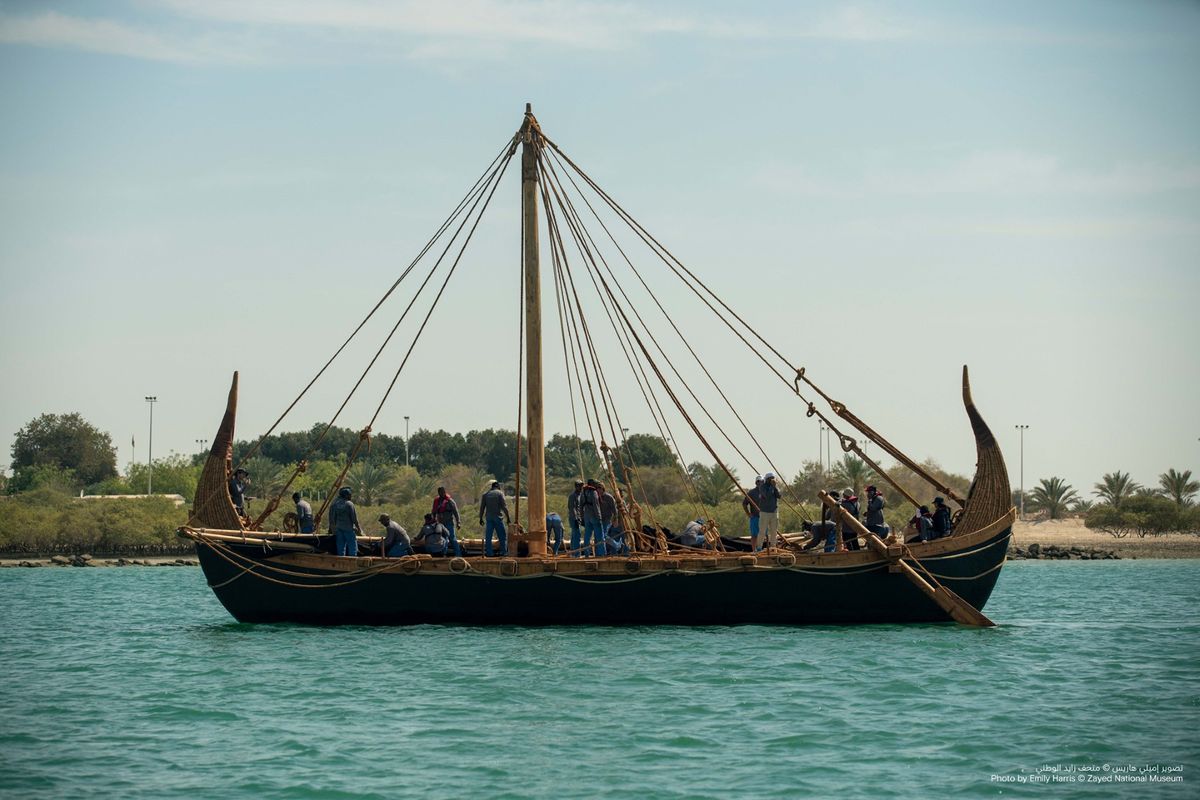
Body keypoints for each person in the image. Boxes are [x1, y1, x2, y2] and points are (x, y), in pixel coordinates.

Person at [478, 481, 510, 557]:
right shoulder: (500, 493)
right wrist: (508, 517)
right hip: (498, 518)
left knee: (488, 537)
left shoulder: (485, 495)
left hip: (489, 518)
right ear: (498, 487)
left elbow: (482, 508)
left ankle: (489, 553)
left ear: (491, 487)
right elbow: (504, 507)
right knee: (502, 536)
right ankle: (504, 552)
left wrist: (481, 518)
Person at [328, 486, 362, 556]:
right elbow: (354, 519)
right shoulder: (349, 504)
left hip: (339, 529)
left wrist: (332, 528)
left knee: (341, 548)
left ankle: (342, 562)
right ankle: (352, 562)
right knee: (352, 547)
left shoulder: (336, 504)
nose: (351, 496)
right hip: (348, 529)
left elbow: (333, 518)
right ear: (346, 495)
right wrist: (359, 529)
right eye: (350, 495)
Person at [432, 486, 463, 557]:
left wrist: (458, 522)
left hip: (449, 523)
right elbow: (433, 512)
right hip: (440, 524)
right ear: (438, 493)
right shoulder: (437, 501)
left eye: (443, 492)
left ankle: (458, 555)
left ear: (444, 492)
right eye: (440, 493)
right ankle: (443, 554)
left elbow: (456, 512)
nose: (441, 494)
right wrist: (433, 522)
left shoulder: (450, 501)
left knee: (452, 538)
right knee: (442, 539)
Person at [579, 479, 605, 557]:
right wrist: (599, 517)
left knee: (587, 536)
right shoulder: (594, 492)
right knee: (599, 536)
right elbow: (596, 506)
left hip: (586, 517)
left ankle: (586, 554)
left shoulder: (583, 493)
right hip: (594, 516)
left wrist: (582, 517)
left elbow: (580, 506)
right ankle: (601, 554)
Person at [758, 472, 783, 549]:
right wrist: (772, 487)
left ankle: (773, 547)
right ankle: (759, 547)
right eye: (770, 479)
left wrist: (775, 487)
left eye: (773, 478)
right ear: (767, 479)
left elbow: (779, 496)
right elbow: (767, 496)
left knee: (774, 532)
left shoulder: (774, 487)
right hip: (764, 512)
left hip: (774, 512)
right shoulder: (763, 487)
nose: (772, 480)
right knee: (762, 531)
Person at [743, 476, 763, 550]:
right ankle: (754, 550)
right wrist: (748, 514)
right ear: (756, 483)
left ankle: (760, 549)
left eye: (761, 481)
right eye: (758, 482)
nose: (760, 483)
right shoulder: (751, 493)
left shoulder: (766, 492)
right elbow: (744, 503)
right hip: (755, 517)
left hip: (764, 517)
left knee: (763, 534)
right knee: (754, 535)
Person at [566, 480, 584, 556]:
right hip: (574, 519)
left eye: (581, 486)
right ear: (576, 486)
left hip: (578, 518)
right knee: (577, 536)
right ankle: (576, 554)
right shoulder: (572, 496)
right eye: (579, 486)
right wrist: (576, 518)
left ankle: (573, 553)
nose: (581, 488)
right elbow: (572, 508)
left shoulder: (580, 495)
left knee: (574, 536)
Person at [840, 487, 861, 552]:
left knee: (847, 542)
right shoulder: (857, 503)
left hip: (847, 527)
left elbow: (840, 506)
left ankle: (851, 555)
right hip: (855, 526)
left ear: (846, 495)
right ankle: (858, 553)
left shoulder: (846, 504)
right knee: (855, 541)